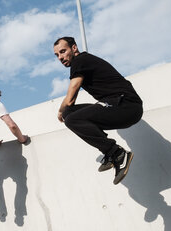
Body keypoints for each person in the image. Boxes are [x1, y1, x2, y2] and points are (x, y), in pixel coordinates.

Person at [53, 37, 143, 185]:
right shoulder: (82, 61)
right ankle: (111, 152)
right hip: (118, 105)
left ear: (74, 48)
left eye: (63, 51)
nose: (60, 57)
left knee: (71, 117)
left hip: (126, 105)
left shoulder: (79, 61)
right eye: (57, 55)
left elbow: (70, 98)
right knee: (69, 113)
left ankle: (117, 153)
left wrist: (59, 111)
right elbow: (70, 105)